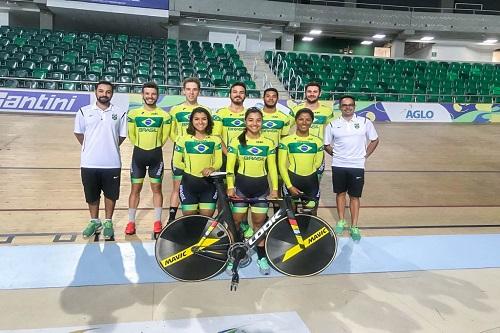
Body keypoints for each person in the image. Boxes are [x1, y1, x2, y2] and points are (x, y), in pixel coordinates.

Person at [226, 107, 278, 275]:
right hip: (241, 188)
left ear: (262, 122)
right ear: (245, 122)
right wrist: (229, 185)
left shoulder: (268, 143)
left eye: (258, 120)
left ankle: (261, 257)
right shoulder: (236, 141)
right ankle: (234, 255)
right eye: (251, 120)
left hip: (260, 190)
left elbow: (272, 168)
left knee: (259, 225)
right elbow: (229, 167)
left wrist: (276, 188)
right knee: (237, 223)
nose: (254, 123)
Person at [74, 81, 127, 240]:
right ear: (95, 92)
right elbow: (79, 133)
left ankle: (108, 222)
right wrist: (92, 146)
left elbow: (122, 136)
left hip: (112, 163)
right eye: (101, 91)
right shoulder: (83, 112)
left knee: (111, 194)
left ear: (112, 94)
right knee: (92, 194)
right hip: (89, 162)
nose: (104, 94)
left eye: (108, 92)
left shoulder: (120, 112)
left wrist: (109, 145)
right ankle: (94, 221)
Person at [323, 95, 379, 241]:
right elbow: (326, 145)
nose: (347, 107)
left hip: (357, 166)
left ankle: (354, 226)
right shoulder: (333, 125)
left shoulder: (365, 122)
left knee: (355, 196)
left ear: (354, 106)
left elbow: (374, 140)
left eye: (350, 105)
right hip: (339, 165)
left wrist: (365, 156)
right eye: (344, 105)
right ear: (340, 107)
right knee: (340, 194)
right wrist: (336, 155)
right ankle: (341, 220)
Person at [125, 82, 172, 236]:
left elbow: (164, 137)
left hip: (155, 156)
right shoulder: (133, 114)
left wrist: (154, 146)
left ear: (157, 96)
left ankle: (157, 222)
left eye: (153, 94)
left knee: (156, 189)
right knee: (135, 189)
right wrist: (141, 146)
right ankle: (131, 222)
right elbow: (131, 135)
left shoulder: (164, 116)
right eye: (147, 94)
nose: (150, 97)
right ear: (142, 95)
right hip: (138, 156)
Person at [168, 78, 210, 222]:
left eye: (194, 89)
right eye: (188, 89)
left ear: (199, 91)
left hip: (200, 154)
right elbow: (171, 131)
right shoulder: (175, 110)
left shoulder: (206, 110)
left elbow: (209, 133)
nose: (191, 93)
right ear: (183, 91)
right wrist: (181, 144)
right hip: (180, 154)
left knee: (199, 184)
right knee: (177, 187)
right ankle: (171, 219)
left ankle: (197, 220)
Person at [172, 107, 222, 217]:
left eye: (204, 119)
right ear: (191, 121)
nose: (200, 122)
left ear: (208, 121)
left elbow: (219, 162)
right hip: (189, 183)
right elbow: (176, 161)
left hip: (208, 185)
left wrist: (211, 169)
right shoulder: (183, 139)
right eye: (196, 119)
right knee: (190, 220)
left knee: (206, 220)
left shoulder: (215, 140)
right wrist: (190, 169)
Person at [278, 108, 324, 214]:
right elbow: (281, 165)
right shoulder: (286, 141)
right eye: (300, 119)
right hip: (292, 180)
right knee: (291, 216)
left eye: (308, 120)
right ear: (296, 120)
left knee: (310, 215)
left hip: (311, 182)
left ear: (312, 122)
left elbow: (317, 163)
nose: (304, 122)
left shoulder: (318, 141)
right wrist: (289, 186)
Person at [292, 82, 333, 179]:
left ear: (320, 93)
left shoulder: (327, 111)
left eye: (315, 91)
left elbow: (334, 129)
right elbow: (285, 126)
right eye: (309, 91)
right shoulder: (296, 109)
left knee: (315, 180)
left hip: (317, 151)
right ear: (305, 93)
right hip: (297, 149)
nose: (312, 94)